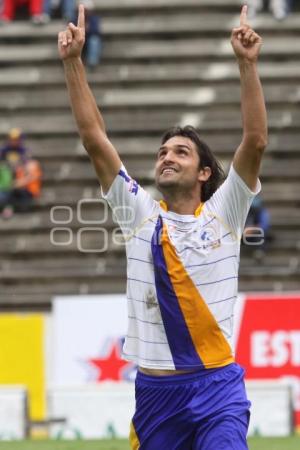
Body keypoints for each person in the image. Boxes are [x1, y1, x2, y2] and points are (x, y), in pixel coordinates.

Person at [58, 4, 267, 449]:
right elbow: (95, 139)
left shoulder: (226, 212)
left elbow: (255, 141)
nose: (167, 157)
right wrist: (74, 63)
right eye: (162, 152)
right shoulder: (139, 214)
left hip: (217, 389)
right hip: (156, 397)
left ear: (206, 173)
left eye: (180, 152)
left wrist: (247, 66)